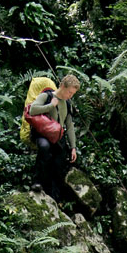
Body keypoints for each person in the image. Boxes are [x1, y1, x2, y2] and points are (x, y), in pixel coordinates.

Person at [29, 74, 80, 202]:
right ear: (62, 86)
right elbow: (32, 110)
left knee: (59, 162)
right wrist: (50, 106)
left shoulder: (67, 104)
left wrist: (73, 147)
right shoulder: (47, 96)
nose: (70, 95)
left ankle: (54, 197)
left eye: (73, 93)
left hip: (57, 137)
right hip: (42, 134)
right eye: (69, 92)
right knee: (44, 148)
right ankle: (37, 182)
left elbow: (69, 126)